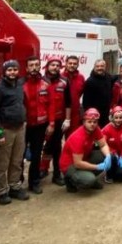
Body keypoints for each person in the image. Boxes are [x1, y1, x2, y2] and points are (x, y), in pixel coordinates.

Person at [0, 60, 29, 205]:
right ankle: (2, 191)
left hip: (20, 128)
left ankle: (14, 186)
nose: (12, 72)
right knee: (2, 162)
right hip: (6, 129)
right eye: (9, 70)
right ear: (4, 71)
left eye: (15, 69)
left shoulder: (20, 85)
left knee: (17, 160)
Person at [60, 107, 111, 192]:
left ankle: (89, 176)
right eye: (89, 122)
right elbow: (77, 164)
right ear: (84, 122)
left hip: (84, 157)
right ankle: (70, 180)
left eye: (95, 122)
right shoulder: (78, 137)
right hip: (70, 166)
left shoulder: (95, 129)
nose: (92, 124)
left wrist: (108, 156)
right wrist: (97, 167)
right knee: (89, 180)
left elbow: (103, 145)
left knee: (104, 155)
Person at [23, 56, 51, 195]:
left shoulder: (46, 83)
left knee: (36, 155)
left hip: (40, 126)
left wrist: (51, 123)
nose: (34, 67)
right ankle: (17, 181)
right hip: (23, 126)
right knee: (19, 156)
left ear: (40, 67)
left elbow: (51, 105)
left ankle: (34, 182)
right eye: (31, 65)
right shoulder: (20, 84)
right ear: (26, 68)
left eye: (36, 65)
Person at [42, 56, 71, 186]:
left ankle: (57, 174)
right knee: (42, 146)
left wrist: (68, 119)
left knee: (56, 147)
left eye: (57, 65)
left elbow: (68, 102)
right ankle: (42, 169)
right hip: (42, 120)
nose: (55, 67)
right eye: (52, 65)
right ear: (47, 66)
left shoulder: (65, 81)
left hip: (58, 119)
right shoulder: (40, 81)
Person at [101, 106, 122, 181]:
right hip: (111, 154)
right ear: (112, 118)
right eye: (116, 117)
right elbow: (103, 145)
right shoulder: (106, 129)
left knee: (119, 177)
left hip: (121, 156)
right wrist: (114, 153)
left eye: (120, 117)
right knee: (112, 158)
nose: (118, 120)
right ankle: (108, 174)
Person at [82, 59, 113, 127]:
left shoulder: (108, 77)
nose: (100, 68)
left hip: (106, 114)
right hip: (94, 115)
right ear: (94, 67)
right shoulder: (90, 81)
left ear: (105, 67)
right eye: (97, 66)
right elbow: (86, 101)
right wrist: (89, 115)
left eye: (102, 66)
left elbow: (116, 78)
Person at [62, 55, 85, 131]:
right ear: (66, 64)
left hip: (75, 113)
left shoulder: (81, 77)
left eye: (74, 64)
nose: (72, 65)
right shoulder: (60, 77)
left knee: (72, 137)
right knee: (56, 139)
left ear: (78, 65)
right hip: (61, 112)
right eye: (70, 63)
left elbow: (80, 93)